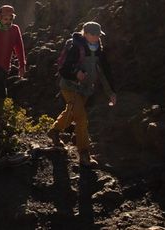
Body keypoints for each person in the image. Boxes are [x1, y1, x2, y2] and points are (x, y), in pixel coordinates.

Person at [47, 21, 117, 168]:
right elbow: (63, 69)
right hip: (70, 87)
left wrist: (111, 92)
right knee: (81, 118)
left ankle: (54, 131)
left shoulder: (98, 48)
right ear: (86, 34)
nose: (98, 37)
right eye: (95, 35)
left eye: (99, 35)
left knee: (72, 113)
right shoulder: (75, 47)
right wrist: (75, 73)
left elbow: (104, 72)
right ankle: (84, 154)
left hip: (85, 90)